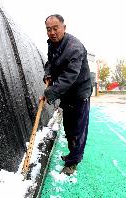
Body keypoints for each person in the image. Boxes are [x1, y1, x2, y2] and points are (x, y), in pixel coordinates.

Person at [41, 14, 92, 175]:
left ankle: (73, 162)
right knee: (69, 128)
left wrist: (49, 93)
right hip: (67, 94)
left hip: (79, 94)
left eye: (55, 28)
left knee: (77, 129)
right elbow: (50, 62)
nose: (52, 32)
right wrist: (48, 73)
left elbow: (69, 76)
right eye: (49, 29)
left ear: (64, 27)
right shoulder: (53, 44)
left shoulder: (74, 48)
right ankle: (72, 154)